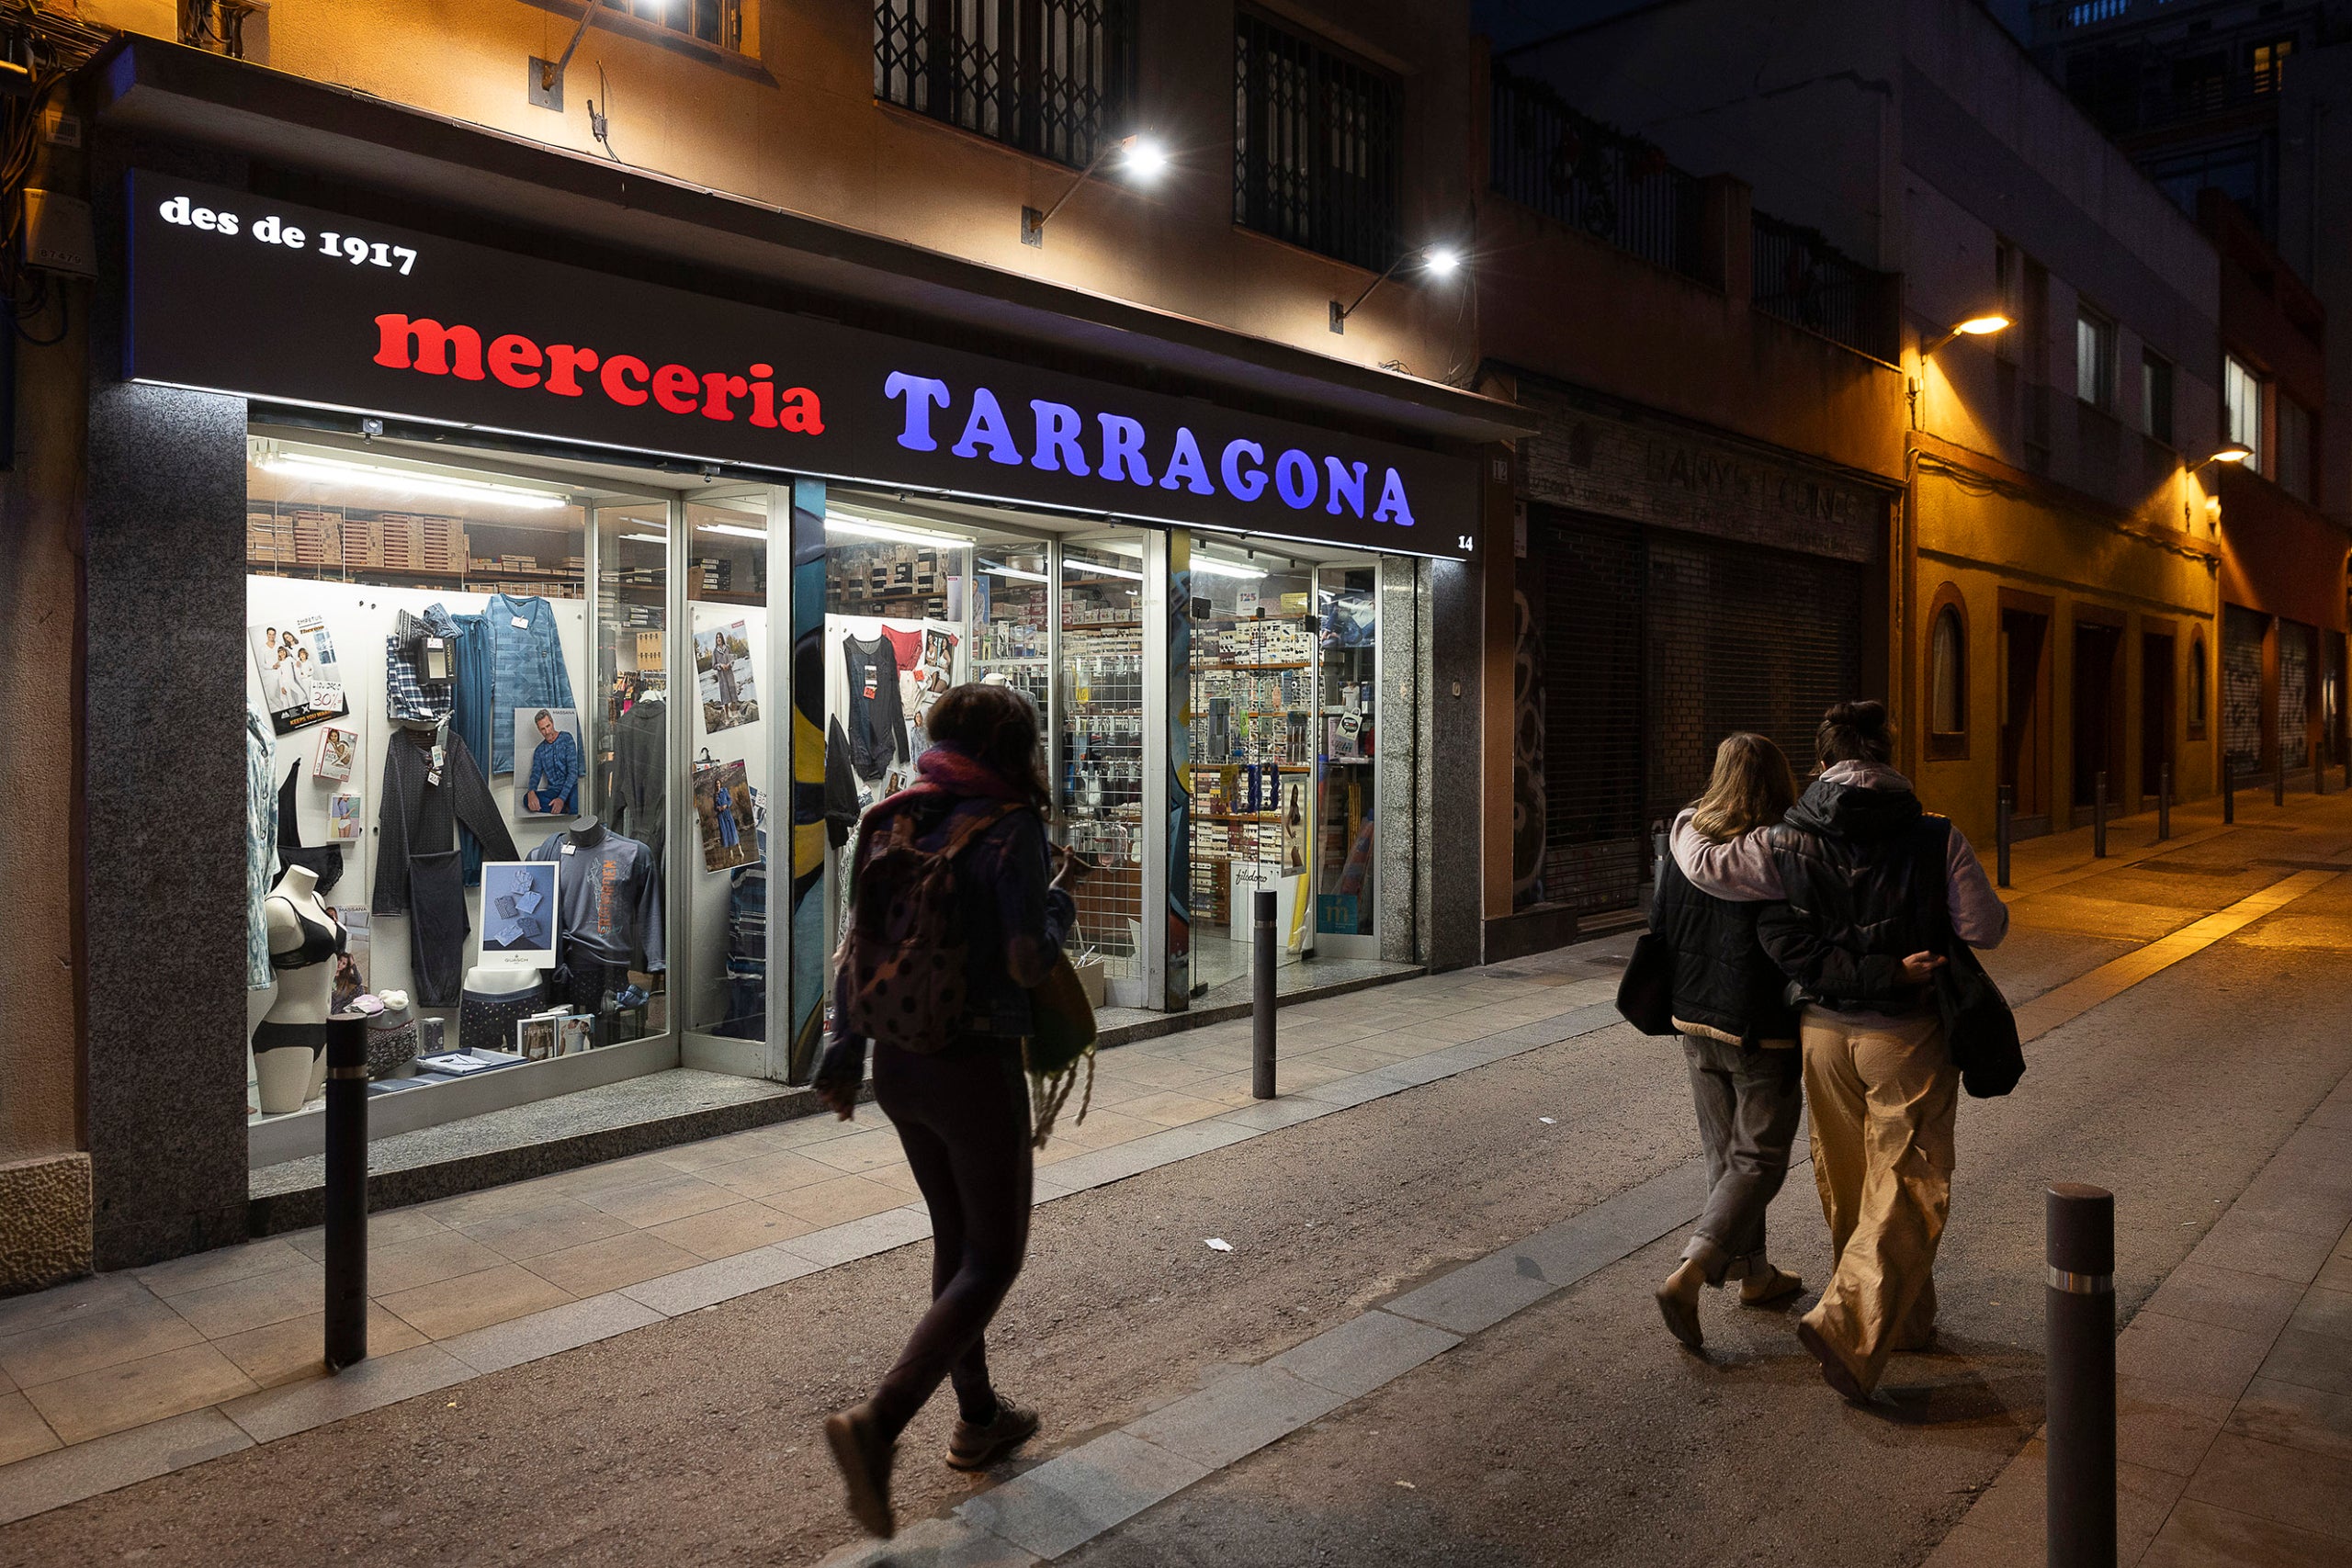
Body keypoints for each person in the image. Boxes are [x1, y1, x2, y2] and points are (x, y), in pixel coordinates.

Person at [815, 682, 1085, 1540]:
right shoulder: (1009, 824)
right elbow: (1026, 959)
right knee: (994, 1255)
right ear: (1012, 748)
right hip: (973, 1062)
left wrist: (843, 1052)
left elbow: (854, 947)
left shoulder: (892, 815)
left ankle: (977, 1415)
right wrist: (1060, 899)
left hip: (899, 1063)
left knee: (955, 1237)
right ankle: (878, 1423)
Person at [1684, 700, 2007, 1403]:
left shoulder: (1785, 839)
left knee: (1852, 1180)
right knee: (1910, 1182)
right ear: (1889, 755)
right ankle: (1848, 1324)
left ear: (1824, 762)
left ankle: (1904, 1320)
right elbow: (1985, 925)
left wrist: (1683, 824)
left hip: (1822, 1033)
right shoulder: (1936, 835)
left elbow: (1709, 866)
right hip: (1907, 1033)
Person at [1649, 734, 1809, 1351]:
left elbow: (1661, 925)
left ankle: (1755, 1272)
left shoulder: (1684, 840)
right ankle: (1691, 1272)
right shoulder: (1778, 854)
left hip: (1693, 1020)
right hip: (1758, 1027)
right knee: (1758, 1159)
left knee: (1725, 1157)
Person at [523, 710, 581, 815]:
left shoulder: (567, 738)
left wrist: (561, 799)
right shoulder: (539, 750)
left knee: (575, 805)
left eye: (548, 726)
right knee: (526, 799)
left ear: (552, 722)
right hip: (554, 791)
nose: (547, 731)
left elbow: (573, 772)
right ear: (539, 730)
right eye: (543, 729)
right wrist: (531, 792)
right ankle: (562, 808)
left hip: (571, 787)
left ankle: (563, 806)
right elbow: (535, 774)